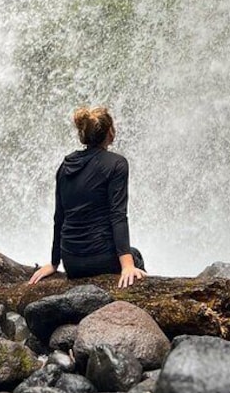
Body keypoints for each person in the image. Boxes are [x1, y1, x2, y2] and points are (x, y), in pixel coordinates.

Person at [28, 106, 147, 288]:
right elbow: (118, 215)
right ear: (110, 132)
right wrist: (128, 265)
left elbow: (59, 216)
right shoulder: (117, 164)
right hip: (102, 259)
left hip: (71, 262)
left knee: (130, 255)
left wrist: (54, 262)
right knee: (135, 256)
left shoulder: (65, 166)